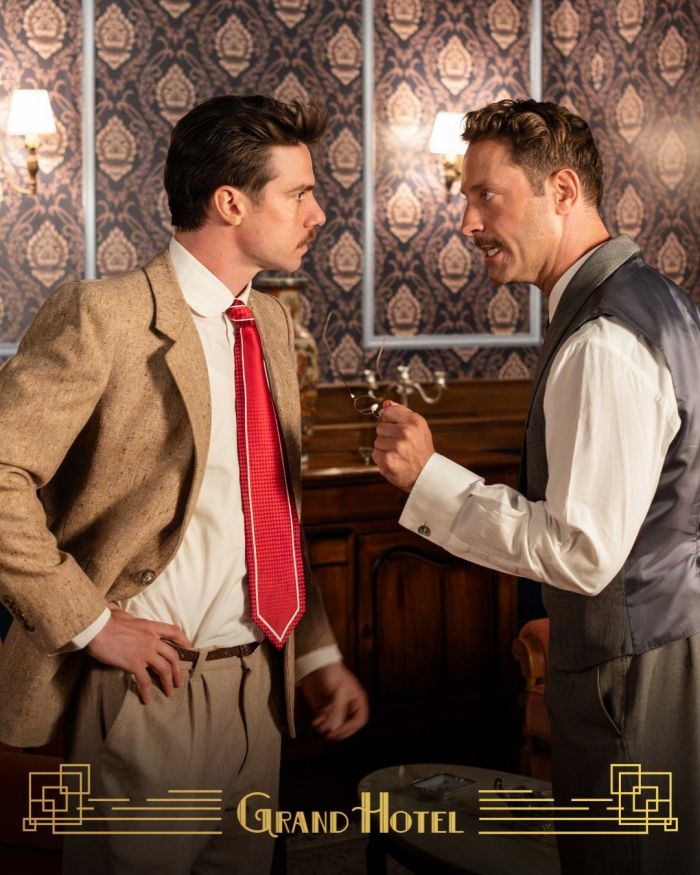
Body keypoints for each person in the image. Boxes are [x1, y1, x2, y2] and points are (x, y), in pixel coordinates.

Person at [0, 94, 368, 874]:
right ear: (231, 202)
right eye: (299, 193)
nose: (318, 213)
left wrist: (315, 654)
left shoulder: (270, 325)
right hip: (146, 693)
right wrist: (91, 623)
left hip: (258, 692)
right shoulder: (103, 316)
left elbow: (269, 510)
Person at [372, 98, 699, 874]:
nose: (468, 222)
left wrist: (429, 480)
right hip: (660, 642)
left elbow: (583, 551)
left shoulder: (605, 338)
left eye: (487, 196)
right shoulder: (653, 301)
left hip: (632, 669)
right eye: (466, 197)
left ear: (561, 191)